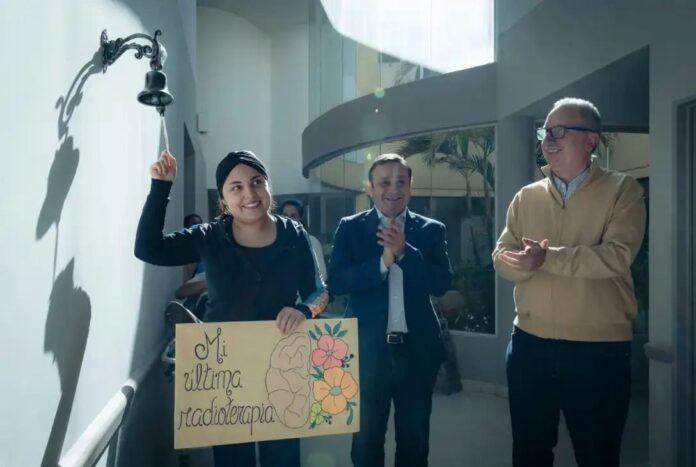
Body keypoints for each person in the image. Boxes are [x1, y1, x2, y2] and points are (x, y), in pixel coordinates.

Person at [135, 149, 329, 467]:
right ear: (224, 199)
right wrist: (161, 187)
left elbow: (318, 292)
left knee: (282, 459)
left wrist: (304, 311)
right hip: (226, 375)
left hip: (282, 370)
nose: (249, 193)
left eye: (257, 182)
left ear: (268, 187)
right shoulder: (209, 236)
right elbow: (149, 249)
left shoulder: (294, 235)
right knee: (233, 460)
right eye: (236, 187)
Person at [493, 98, 646, 467]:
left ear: (591, 140)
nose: (549, 139)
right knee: (529, 453)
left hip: (598, 352)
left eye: (560, 131)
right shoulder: (526, 196)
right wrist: (522, 264)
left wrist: (547, 258)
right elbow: (501, 256)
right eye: (546, 131)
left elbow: (617, 256)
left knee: (598, 456)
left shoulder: (623, 190)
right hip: (529, 345)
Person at [328, 153, 452, 467]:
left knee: (415, 444)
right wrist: (382, 263)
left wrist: (404, 252)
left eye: (400, 182)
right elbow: (337, 282)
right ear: (370, 188)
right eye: (384, 182)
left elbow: (441, 283)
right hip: (367, 355)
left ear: (410, 186)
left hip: (417, 354)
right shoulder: (351, 228)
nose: (393, 190)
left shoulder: (432, 229)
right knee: (365, 445)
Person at [280, 199, 327, 281]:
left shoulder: (311, 241)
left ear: (300, 218)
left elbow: (322, 274)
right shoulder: (275, 242)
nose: (288, 219)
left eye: (293, 216)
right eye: (285, 215)